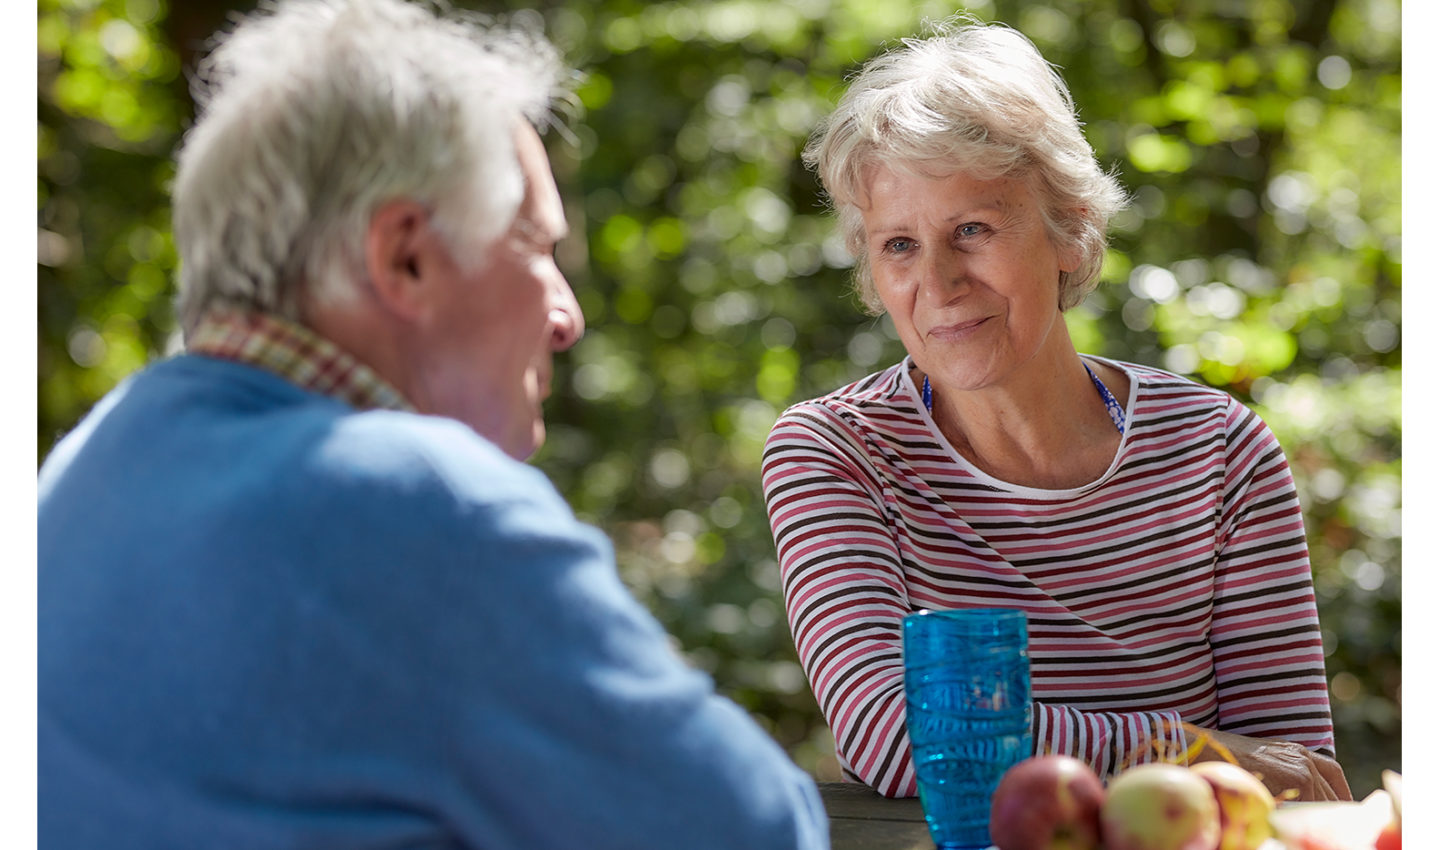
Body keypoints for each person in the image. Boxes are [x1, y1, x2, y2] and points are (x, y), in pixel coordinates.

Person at [37, 1, 830, 847]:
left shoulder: (85, 467)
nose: (566, 317)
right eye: (535, 248)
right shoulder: (417, 505)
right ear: (405, 256)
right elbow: (757, 828)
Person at [761, 18, 1351, 803]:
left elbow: (1293, 774)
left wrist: (1221, 762)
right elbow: (895, 735)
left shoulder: (1219, 451)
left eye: (972, 229)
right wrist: (1187, 749)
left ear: (1069, 230)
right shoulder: (834, 453)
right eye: (898, 244)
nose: (937, 284)